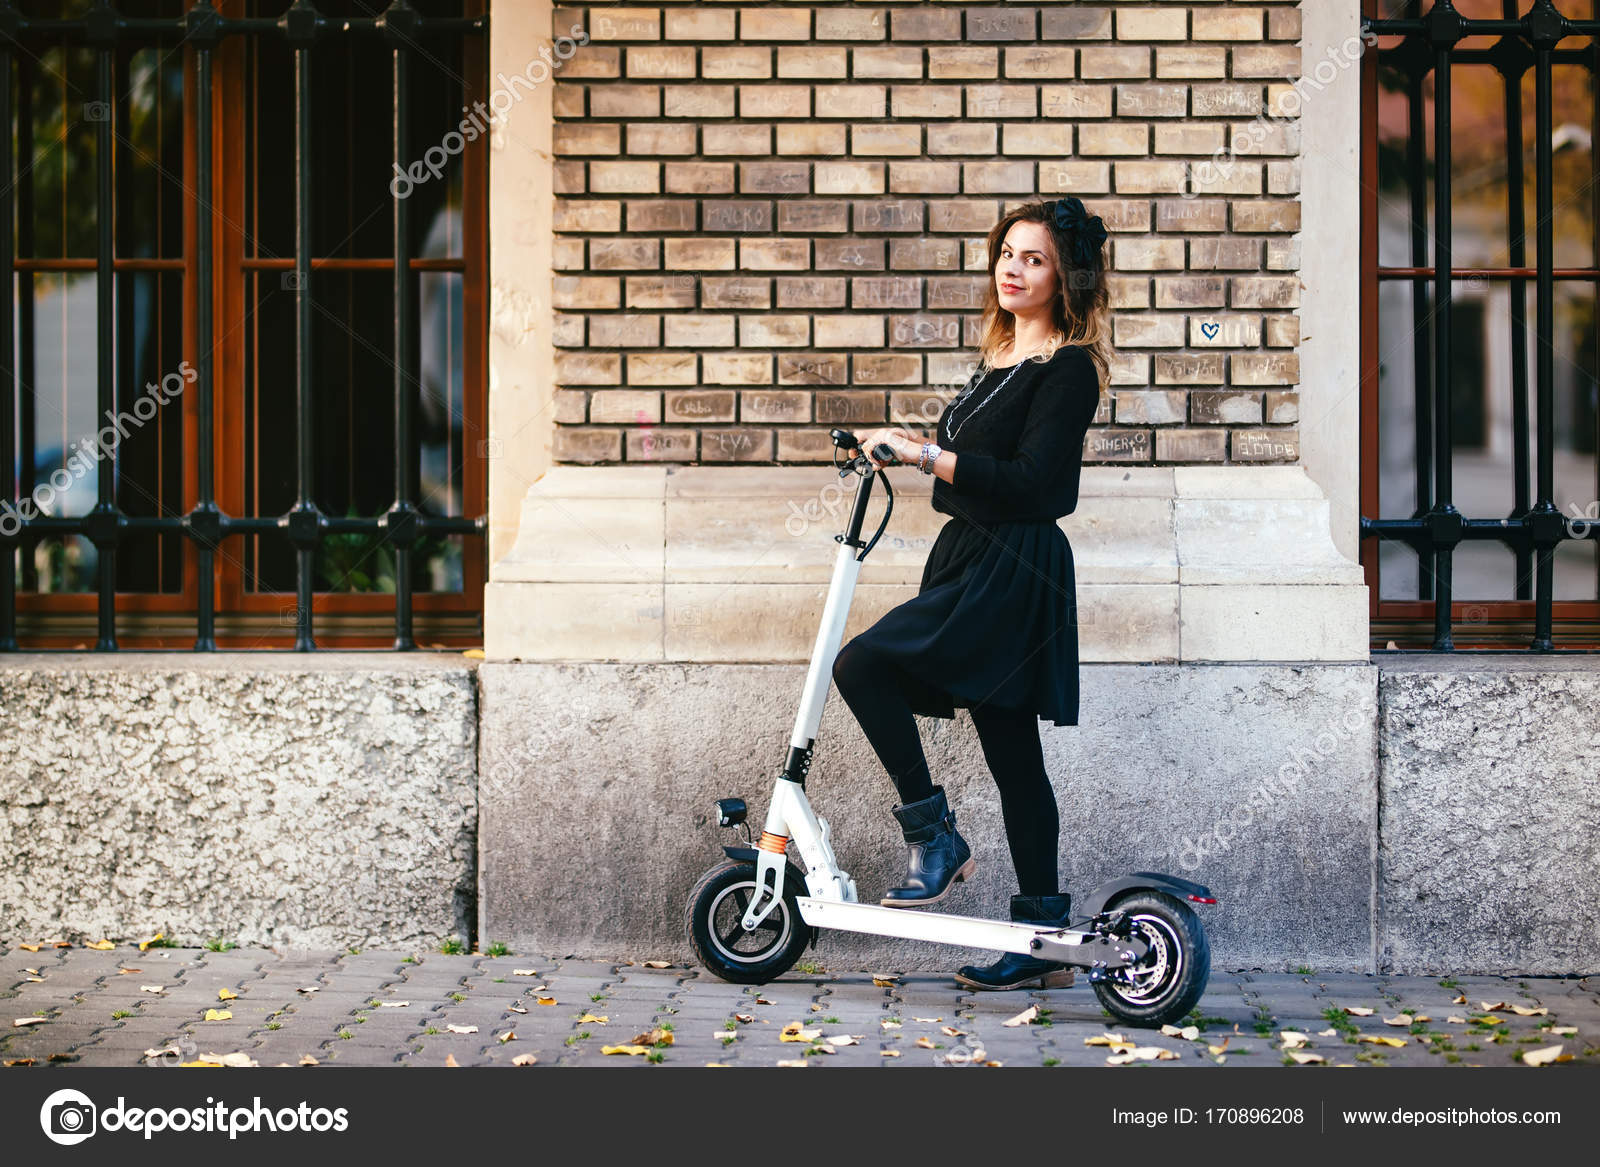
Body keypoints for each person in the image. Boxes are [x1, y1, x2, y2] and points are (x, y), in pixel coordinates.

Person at [831, 196, 1110, 991]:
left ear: (1064, 277)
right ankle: (1040, 931)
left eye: (1035, 259)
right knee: (1012, 754)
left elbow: (1031, 484)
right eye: (1008, 254)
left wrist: (922, 453)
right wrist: (908, 453)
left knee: (863, 665)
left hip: (1015, 570)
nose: (1014, 269)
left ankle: (939, 839)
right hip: (968, 560)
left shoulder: (1068, 371)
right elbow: (966, 465)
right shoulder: (996, 362)